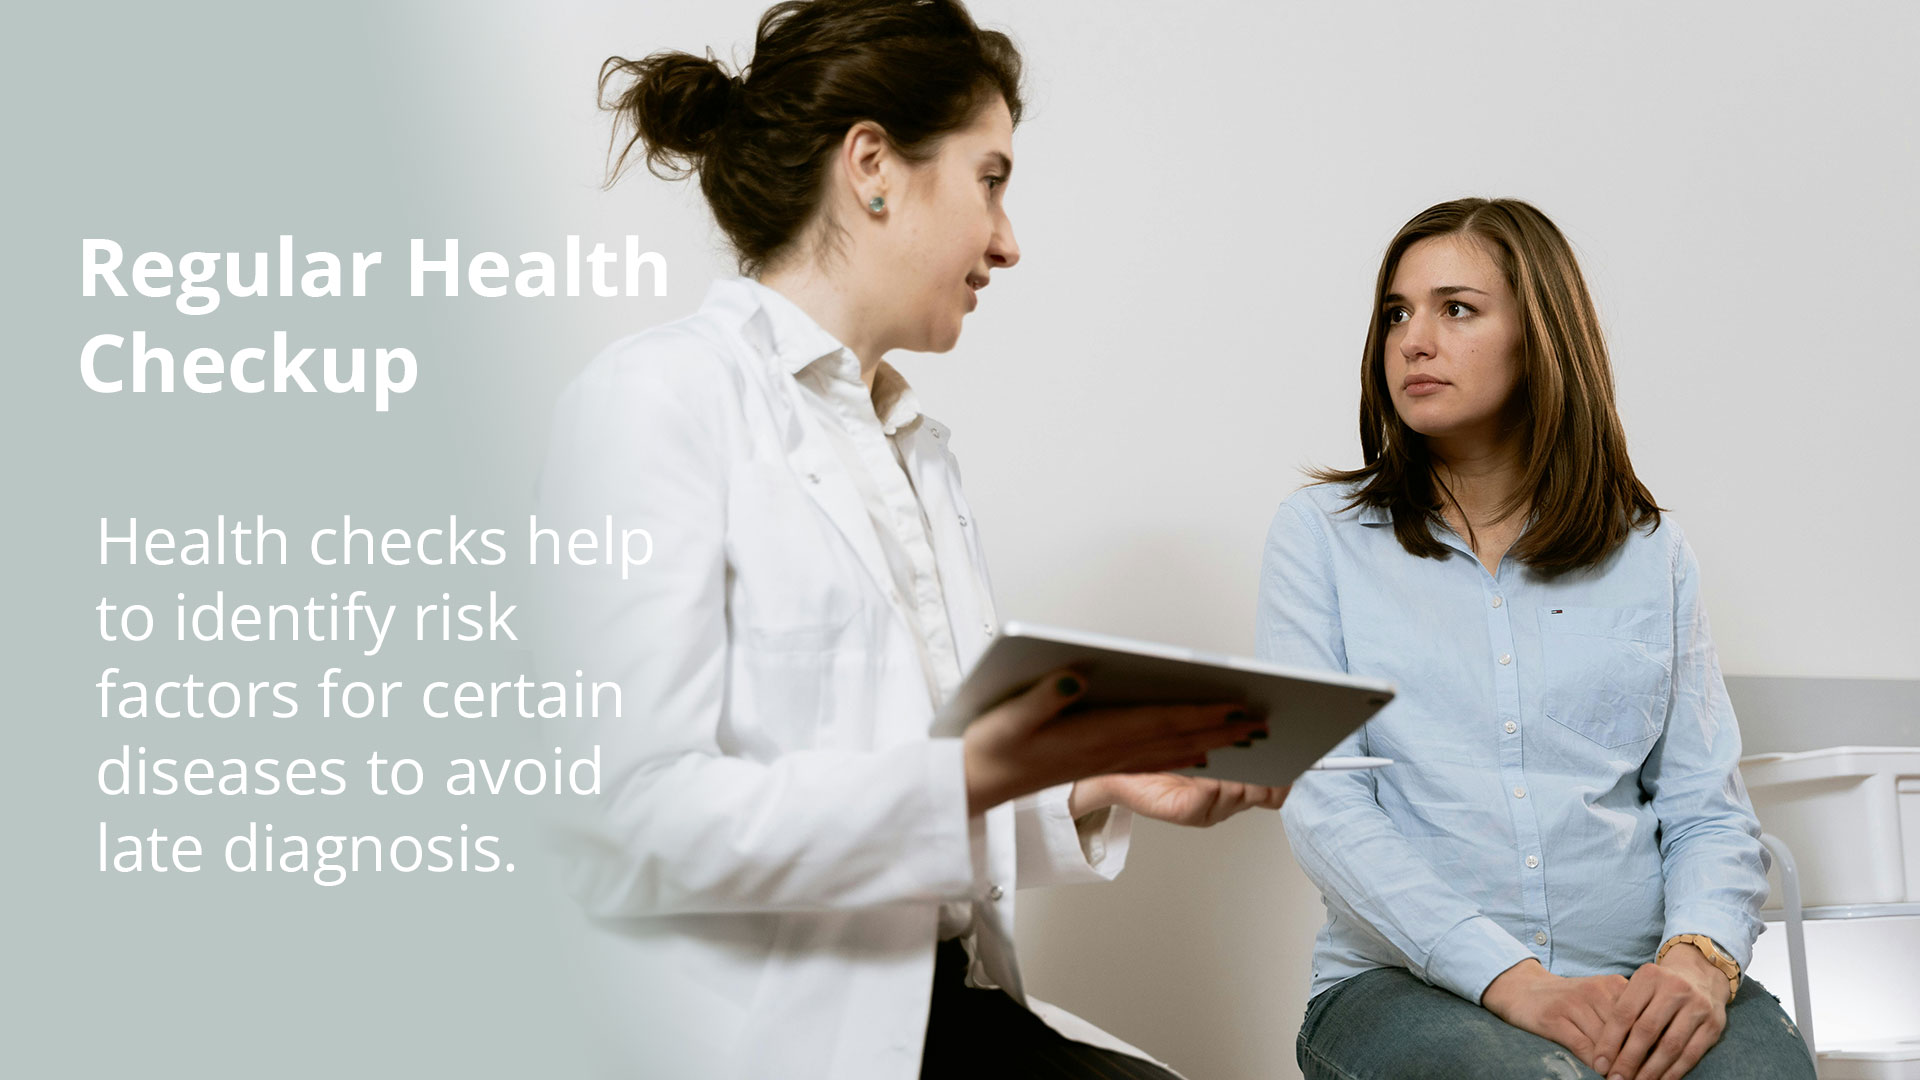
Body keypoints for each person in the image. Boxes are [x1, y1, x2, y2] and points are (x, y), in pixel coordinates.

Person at [535, 3, 1283, 1077]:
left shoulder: (912, 449)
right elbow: (622, 820)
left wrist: (1093, 779)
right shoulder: (657, 401)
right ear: (874, 166)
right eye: (991, 180)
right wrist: (970, 772)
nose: (1009, 241)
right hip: (765, 1041)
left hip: (939, 1009)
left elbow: (917, 821)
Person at [1258, 197, 1815, 1080]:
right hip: (1404, 987)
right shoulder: (1319, 537)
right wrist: (1514, 982)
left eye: (1456, 308)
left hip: (1640, 971)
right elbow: (1325, 807)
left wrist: (1698, 960)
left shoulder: (1651, 553)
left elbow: (1705, 808)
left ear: (1542, 337)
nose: (1413, 341)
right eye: (1396, 313)